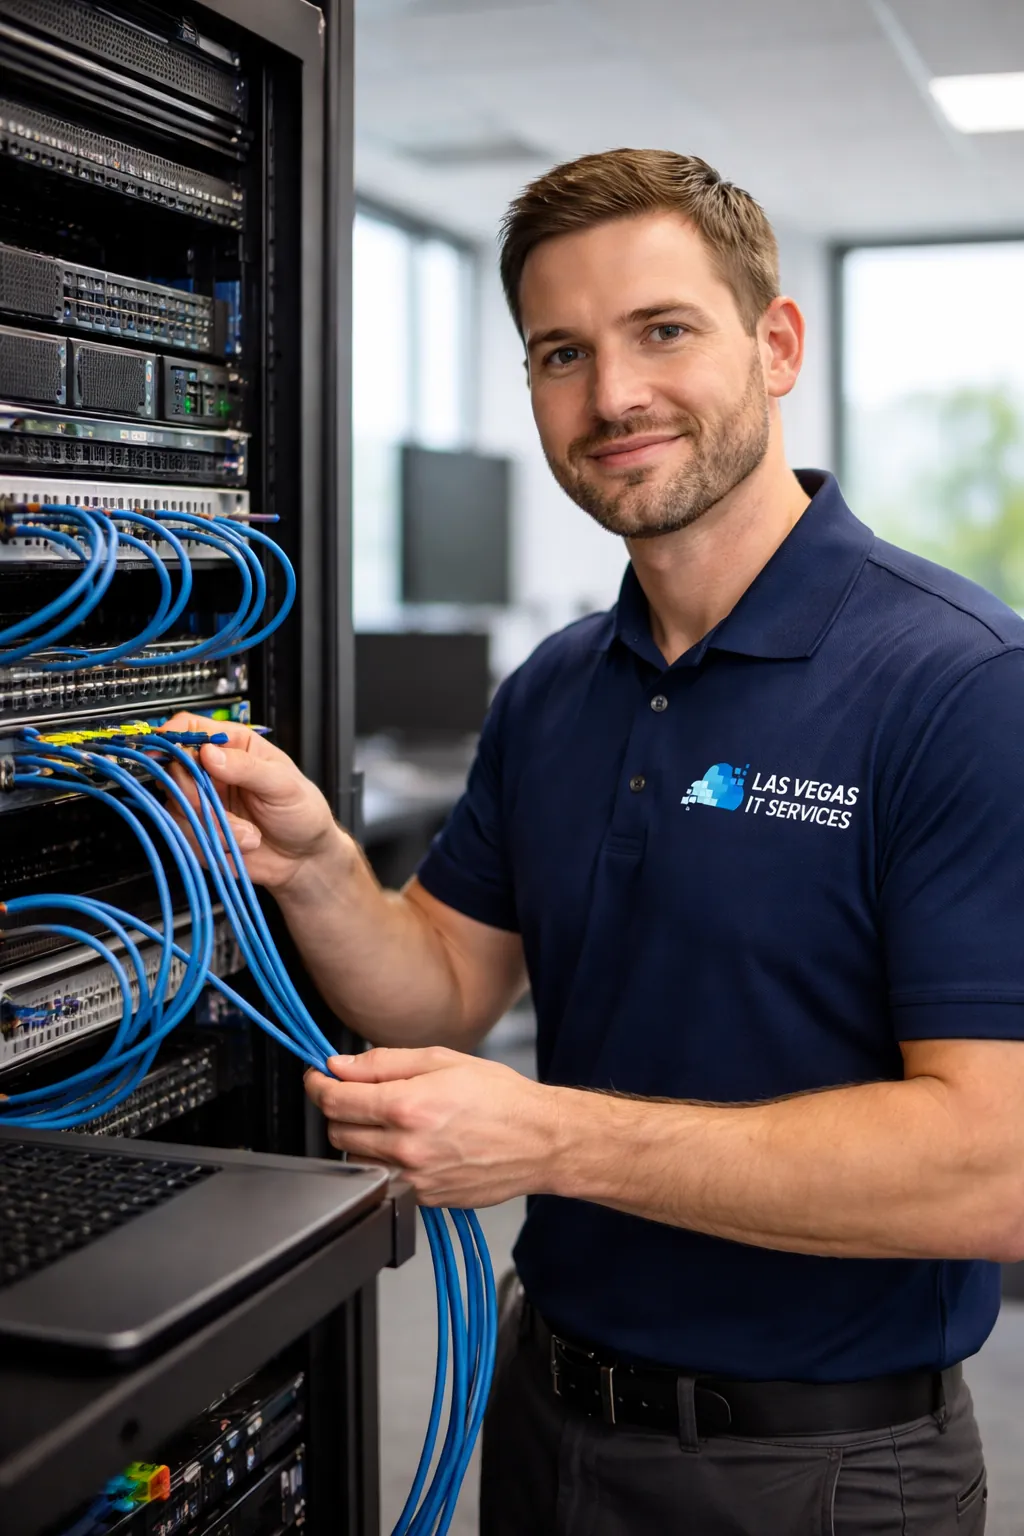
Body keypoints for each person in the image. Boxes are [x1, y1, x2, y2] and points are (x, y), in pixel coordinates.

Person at [166, 147, 1024, 1533]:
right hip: (549, 1420)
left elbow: (1000, 1168)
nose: (612, 396)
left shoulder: (963, 683)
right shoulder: (556, 690)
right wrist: (323, 868)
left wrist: (552, 1142)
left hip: (820, 1473)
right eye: (561, 353)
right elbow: (447, 981)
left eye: (662, 332)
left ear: (777, 343)